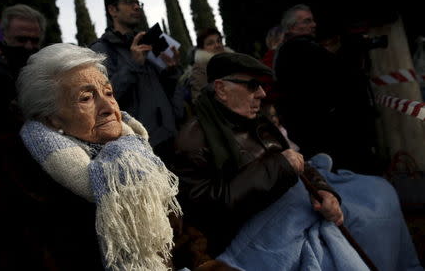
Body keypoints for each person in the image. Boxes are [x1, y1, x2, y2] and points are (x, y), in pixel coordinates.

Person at [174, 52, 423, 270]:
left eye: (260, 85)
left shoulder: (256, 119)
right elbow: (210, 211)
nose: (261, 93)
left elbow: (300, 164)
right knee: (346, 231)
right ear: (221, 89)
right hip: (254, 233)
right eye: (252, 85)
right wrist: (279, 167)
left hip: (296, 203)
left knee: (381, 192)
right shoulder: (193, 141)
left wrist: (325, 192)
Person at [0, 43, 185, 270]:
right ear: (51, 119)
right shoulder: (15, 193)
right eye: (86, 98)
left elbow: (177, 242)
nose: (108, 106)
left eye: (109, 92)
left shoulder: (137, 154)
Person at [274, 4, 377, 173]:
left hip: (314, 129)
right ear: (293, 26)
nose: (314, 25)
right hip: (322, 132)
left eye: (313, 20)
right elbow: (338, 74)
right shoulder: (299, 48)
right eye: (307, 21)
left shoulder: (292, 48)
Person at [90, 0, 184, 165]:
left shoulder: (150, 42)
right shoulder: (100, 50)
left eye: (138, 3)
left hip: (172, 139)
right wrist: (133, 64)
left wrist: (172, 69)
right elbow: (103, 100)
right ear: (112, 10)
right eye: (129, 2)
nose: (136, 7)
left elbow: (169, 89)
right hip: (139, 150)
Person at [0, 4, 46, 80]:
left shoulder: (47, 71)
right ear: (5, 35)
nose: (29, 46)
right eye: (21, 39)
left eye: (35, 41)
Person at [189, 27, 233, 102]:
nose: (217, 45)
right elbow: (199, 99)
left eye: (219, 41)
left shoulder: (233, 61)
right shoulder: (200, 69)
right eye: (210, 43)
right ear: (202, 49)